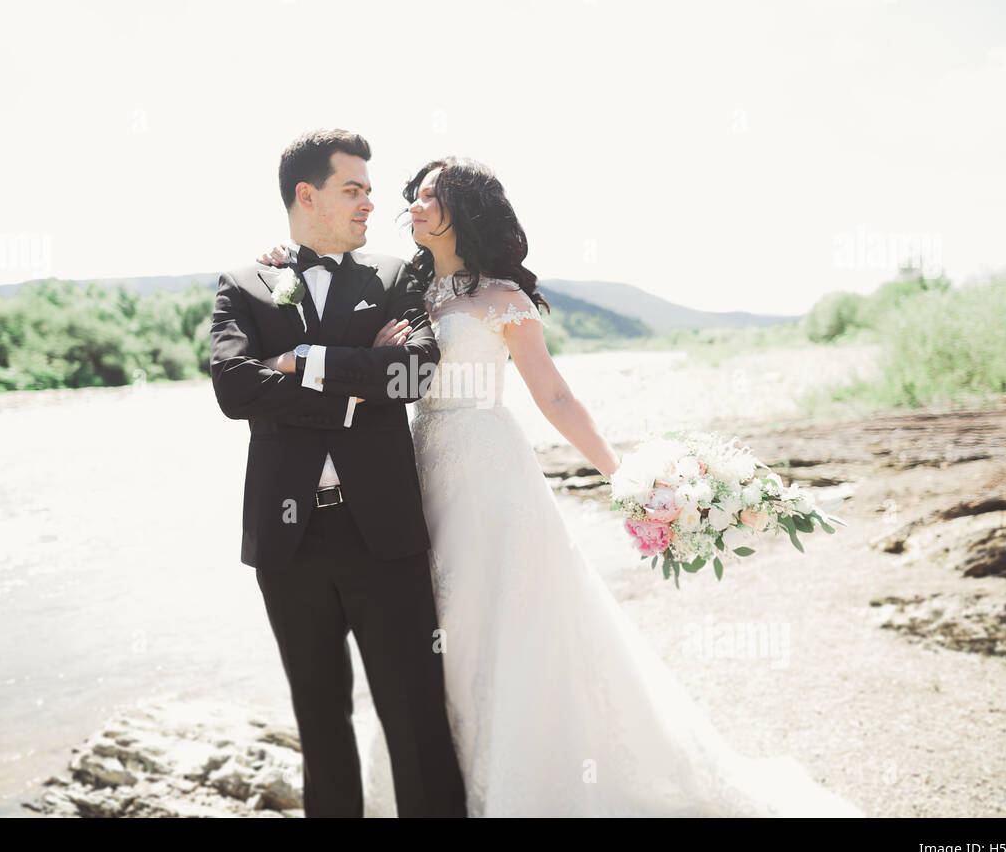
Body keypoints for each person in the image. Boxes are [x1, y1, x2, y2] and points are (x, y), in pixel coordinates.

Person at [256, 155, 865, 817]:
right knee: (429, 628)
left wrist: (622, 472)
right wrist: (283, 259)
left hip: (487, 472)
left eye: (430, 197)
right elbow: (334, 288)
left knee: (496, 619)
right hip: (412, 472)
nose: (414, 208)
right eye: (413, 198)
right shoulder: (406, 288)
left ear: (465, 208)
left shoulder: (502, 299)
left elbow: (554, 394)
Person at [209, 129, 466, 817]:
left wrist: (301, 364)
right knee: (321, 728)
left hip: (382, 533)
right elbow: (235, 388)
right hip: (287, 547)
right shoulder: (245, 283)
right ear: (307, 195)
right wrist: (354, 397)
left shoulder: (393, 277)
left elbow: (413, 369)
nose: (368, 204)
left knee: (416, 720)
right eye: (353, 189)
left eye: (368, 191)